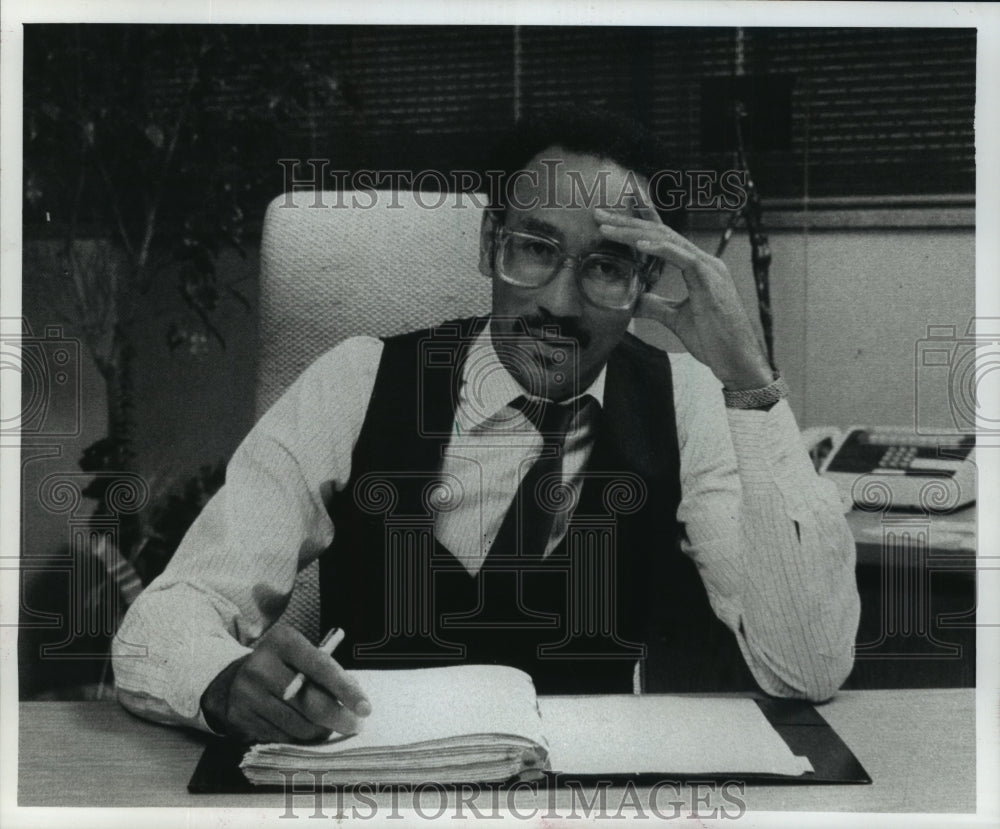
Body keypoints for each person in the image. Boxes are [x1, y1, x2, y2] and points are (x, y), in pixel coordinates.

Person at [112, 109, 859, 744]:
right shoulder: (358, 379)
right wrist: (219, 681)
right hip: (375, 796)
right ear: (487, 244)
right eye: (535, 249)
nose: (561, 305)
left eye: (606, 266)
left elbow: (805, 668)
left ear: (646, 280)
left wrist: (751, 382)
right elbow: (167, 617)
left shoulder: (690, 400)